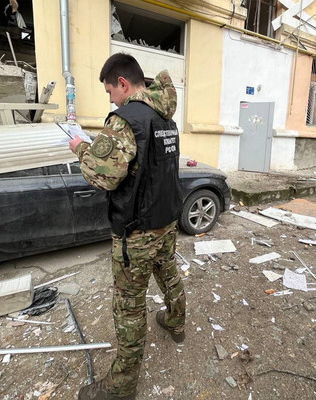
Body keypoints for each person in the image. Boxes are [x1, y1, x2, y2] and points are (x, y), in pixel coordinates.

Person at [69, 53, 186, 400]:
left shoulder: (125, 120)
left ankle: (121, 386)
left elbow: (103, 176)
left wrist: (81, 149)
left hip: (136, 232)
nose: (110, 99)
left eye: (109, 91)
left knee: (129, 306)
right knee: (169, 274)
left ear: (122, 83)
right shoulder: (165, 117)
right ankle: (176, 322)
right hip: (166, 220)